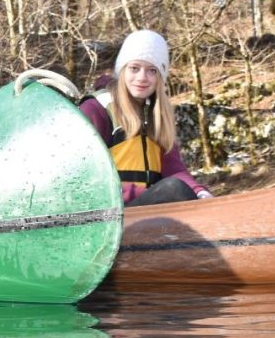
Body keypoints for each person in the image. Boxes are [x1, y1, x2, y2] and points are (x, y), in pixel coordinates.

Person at [79, 29, 214, 206]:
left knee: (183, 191)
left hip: (149, 212)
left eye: (152, 71)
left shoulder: (157, 115)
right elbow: (82, 176)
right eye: (134, 68)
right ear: (122, 70)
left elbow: (173, 169)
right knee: (173, 190)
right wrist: (144, 193)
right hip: (110, 213)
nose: (142, 78)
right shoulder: (96, 109)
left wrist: (199, 192)